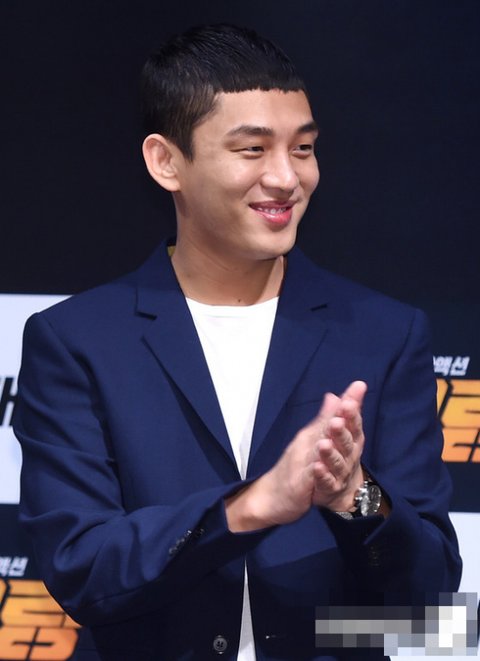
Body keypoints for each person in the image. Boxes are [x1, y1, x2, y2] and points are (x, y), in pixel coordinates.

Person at [14, 23, 461, 661]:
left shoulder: (385, 334)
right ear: (166, 162)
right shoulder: (76, 341)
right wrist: (248, 508)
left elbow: (429, 600)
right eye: (253, 149)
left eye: (303, 148)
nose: (286, 177)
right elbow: (81, 570)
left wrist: (354, 495)